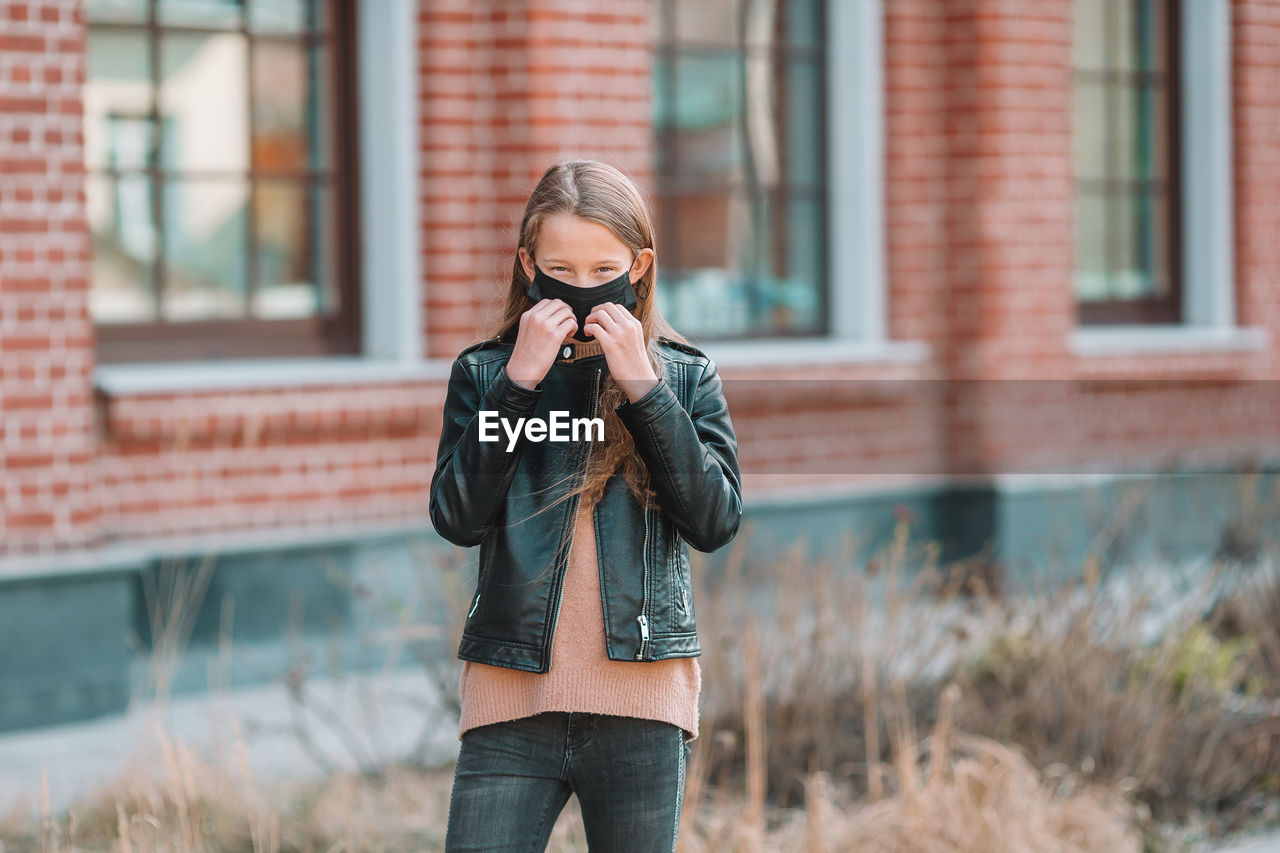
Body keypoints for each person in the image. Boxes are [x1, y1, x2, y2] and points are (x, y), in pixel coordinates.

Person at [429, 158, 743, 852]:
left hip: (641, 702)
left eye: (602, 267)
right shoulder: (483, 374)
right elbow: (457, 516)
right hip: (512, 701)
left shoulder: (685, 377)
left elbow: (714, 521)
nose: (579, 288)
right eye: (559, 270)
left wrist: (645, 390)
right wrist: (517, 387)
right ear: (526, 263)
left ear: (639, 267)